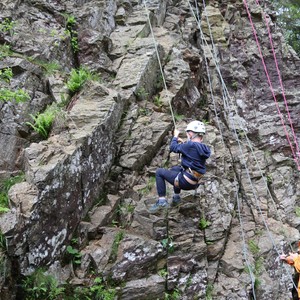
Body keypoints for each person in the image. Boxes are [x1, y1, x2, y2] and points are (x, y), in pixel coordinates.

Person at [149, 120, 211, 213]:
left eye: (187, 134)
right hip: (195, 182)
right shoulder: (204, 148)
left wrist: (175, 136)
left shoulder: (189, 145)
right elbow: (191, 152)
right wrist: (183, 144)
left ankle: (161, 201)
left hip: (185, 182)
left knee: (159, 172)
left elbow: (173, 147)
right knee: (175, 169)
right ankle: (176, 197)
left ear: (191, 134)